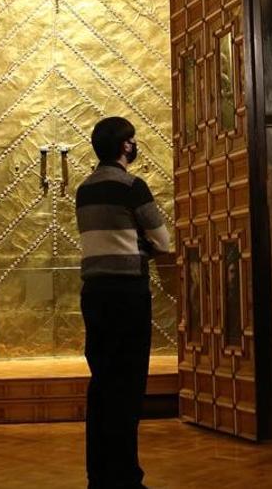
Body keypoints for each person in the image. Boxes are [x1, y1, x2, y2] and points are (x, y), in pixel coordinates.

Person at [76, 117, 171, 489]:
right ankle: (126, 478)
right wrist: (142, 245)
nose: (134, 145)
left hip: (94, 294)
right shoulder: (133, 186)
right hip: (128, 293)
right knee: (128, 388)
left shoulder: (84, 189)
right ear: (125, 146)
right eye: (131, 140)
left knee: (101, 385)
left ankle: (99, 476)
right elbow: (161, 240)